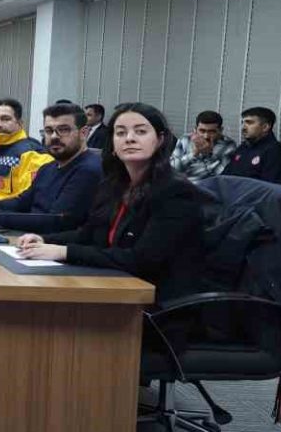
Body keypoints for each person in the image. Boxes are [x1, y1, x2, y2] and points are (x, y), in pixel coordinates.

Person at [23, 103, 207, 305]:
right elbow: (89, 234)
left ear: (160, 140)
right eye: (120, 132)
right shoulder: (114, 185)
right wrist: (44, 239)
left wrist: (64, 252)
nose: (129, 138)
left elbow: (142, 260)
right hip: (114, 286)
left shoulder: (176, 191)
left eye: (141, 131)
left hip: (156, 301)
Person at [0, 103, 103, 233]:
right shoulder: (48, 167)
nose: (54, 136)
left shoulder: (89, 169)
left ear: (84, 133)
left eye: (63, 130)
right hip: (29, 237)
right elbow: (23, 201)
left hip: (53, 243)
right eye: (49, 131)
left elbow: (56, 221)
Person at [221, 106, 281, 183]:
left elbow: (268, 186)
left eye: (249, 123)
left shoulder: (275, 152)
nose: (243, 128)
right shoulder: (243, 147)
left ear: (265, 127)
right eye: (242, 123)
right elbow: (226, 174)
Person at [169, 110, 236, 183]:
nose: (206, 136)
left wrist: (209, 154)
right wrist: (193, 154)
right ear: (195, 130)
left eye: (211, 131)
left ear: (220, 130)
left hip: (211, 186)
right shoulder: (185, 139)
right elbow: (172, 168)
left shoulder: (228, 145)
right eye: (202, 131)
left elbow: (221, 175)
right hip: (185, 184)